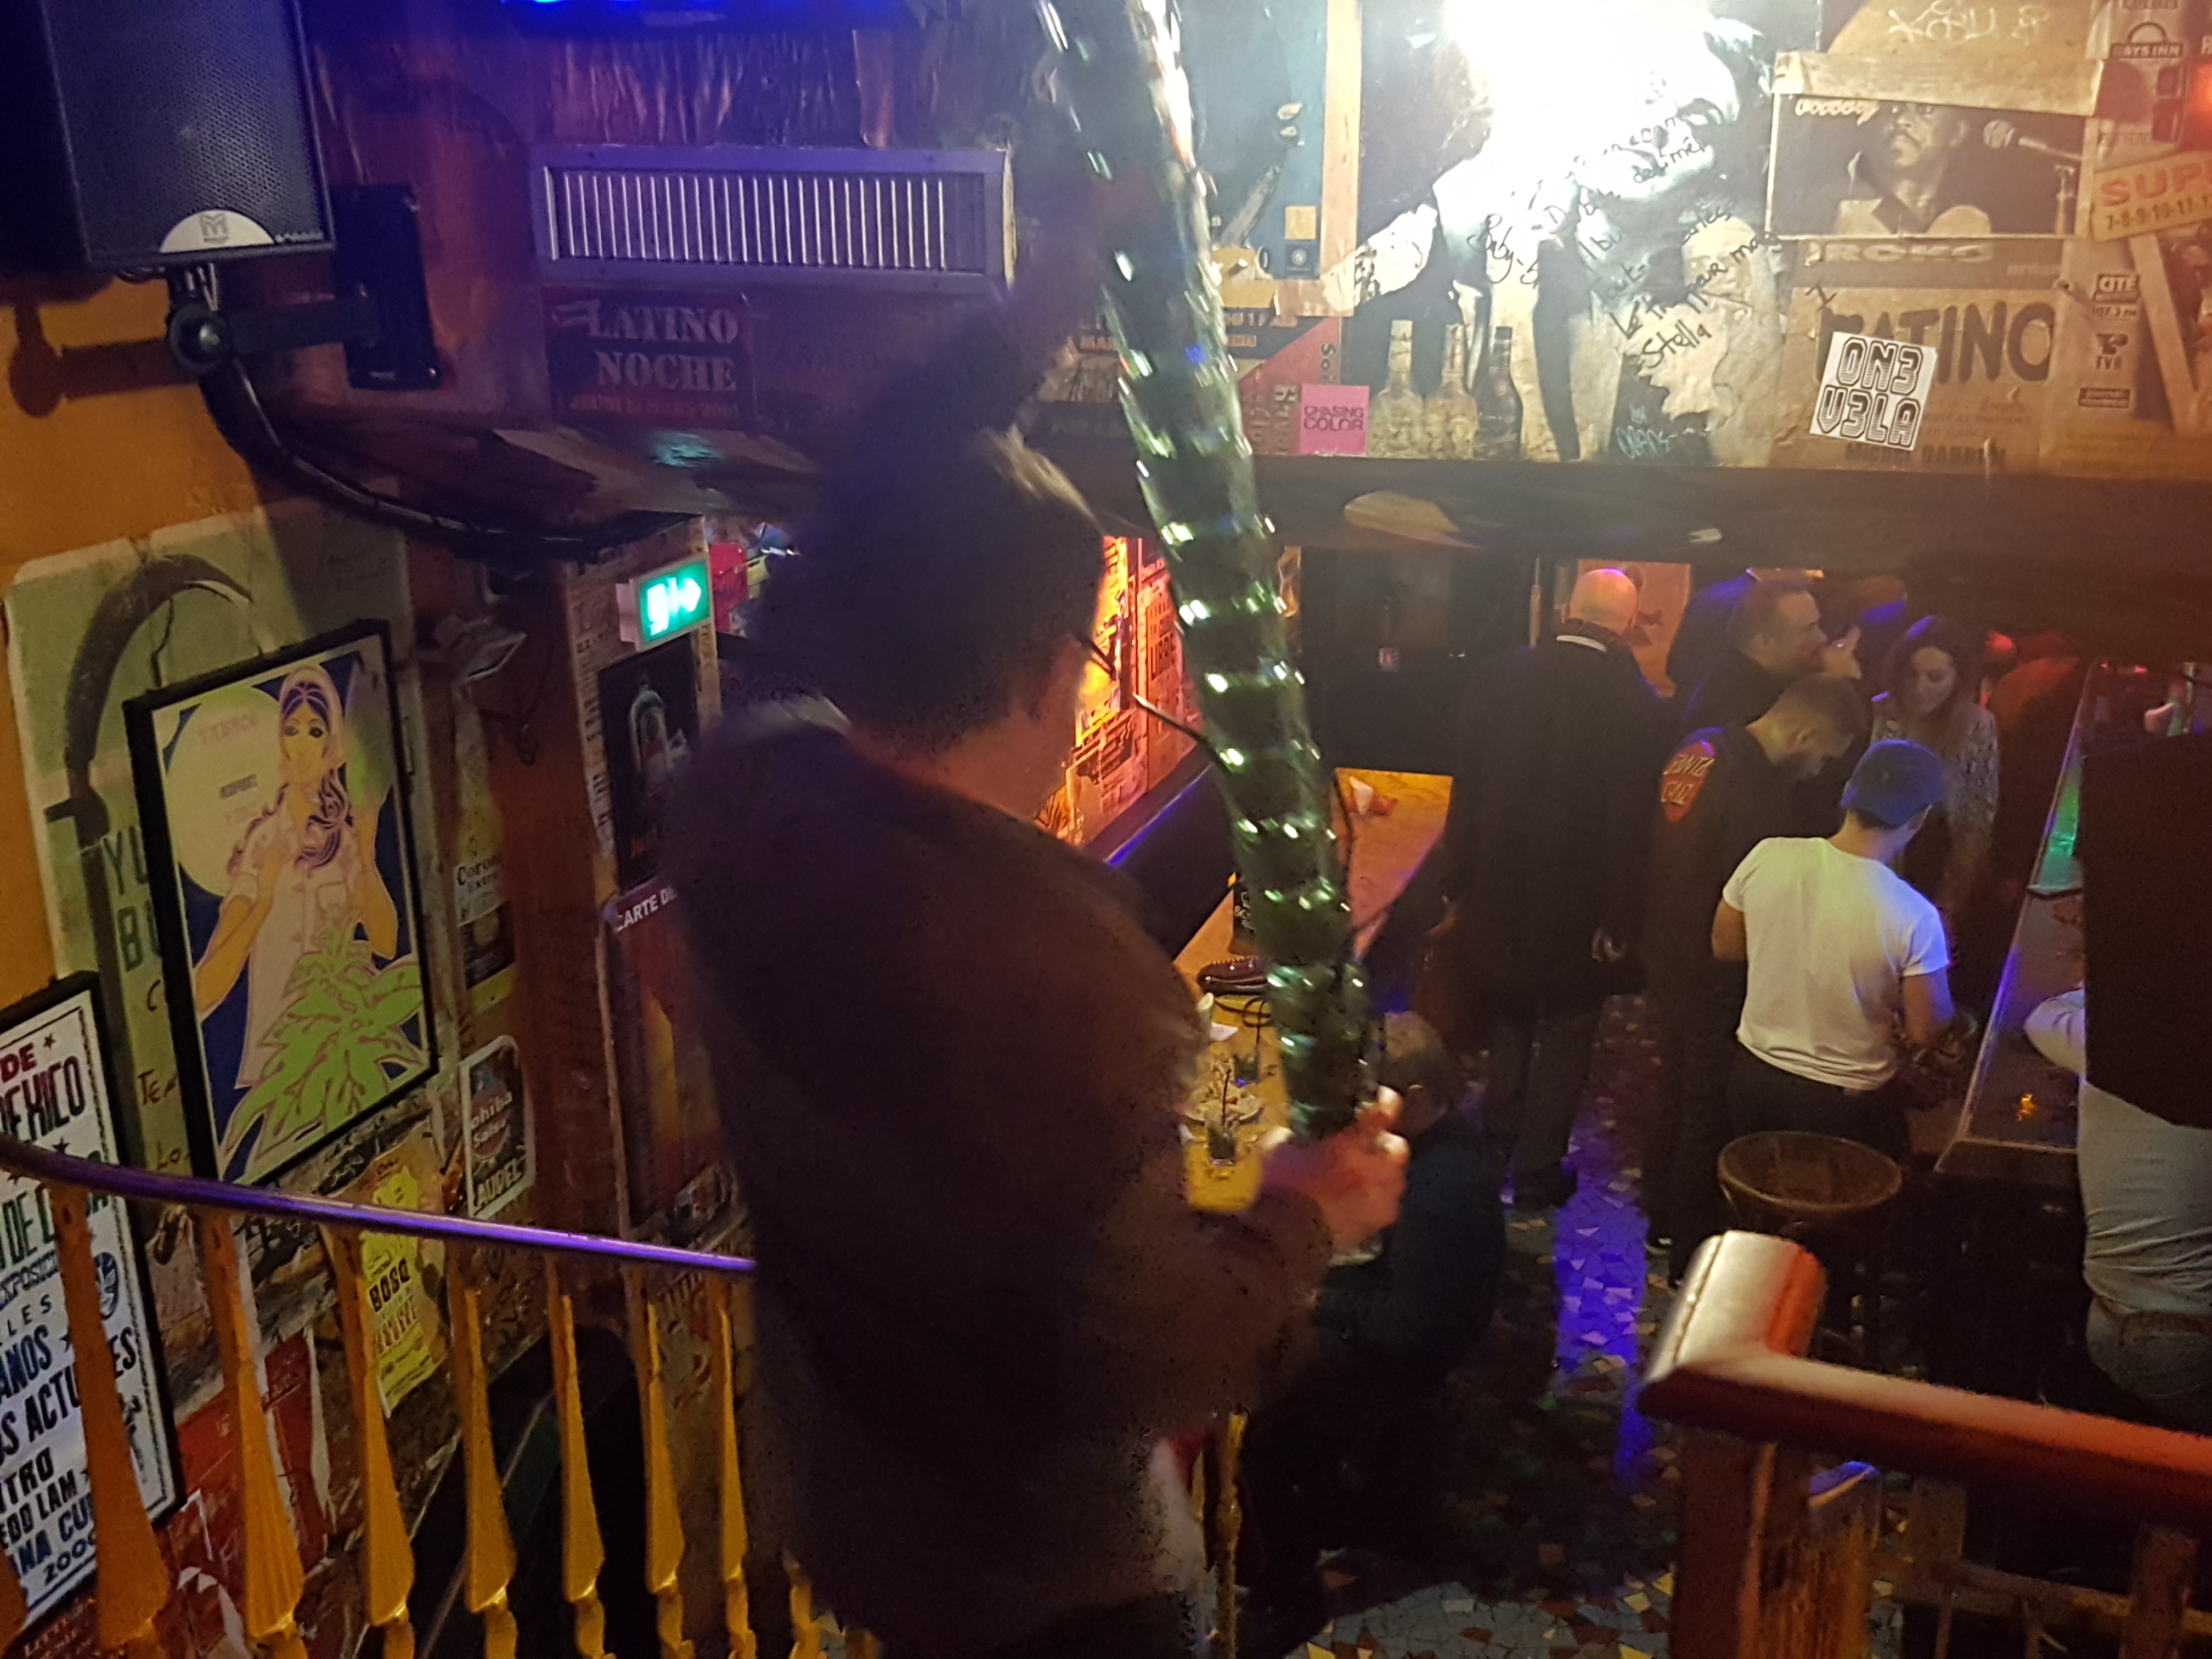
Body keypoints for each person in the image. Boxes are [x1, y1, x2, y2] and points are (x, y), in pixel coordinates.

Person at [668, 181, 1408, 1659]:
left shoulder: (737, 807)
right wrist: (1314, 1214)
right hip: (1058, 1592)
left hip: (866, 1511)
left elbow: (871, 501)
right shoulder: (1065, 987)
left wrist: (1035, 311)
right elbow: (1154, 1348)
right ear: (1050, 675)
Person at [1240, 1014, 1505, 1654]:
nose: (1362, 1111)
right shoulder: (1446, 1139)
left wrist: (1318, 1302)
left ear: (1417, 1098)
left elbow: (1408, 1328)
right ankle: (1328, 1503)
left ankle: (1290, 1593)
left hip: (1410, 1350)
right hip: (1412, 1314)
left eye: (1372, 1095)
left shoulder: (1441, 1190)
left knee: (1266, 1438)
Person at [1440, 568, 1669, 1208]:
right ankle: (1539, 1169)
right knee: (1569, 1029)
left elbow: (1468, 787)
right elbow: (1629, 827)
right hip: (1580, 904)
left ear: (1569, 609)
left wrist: (1458, 880)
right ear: (1627, 624)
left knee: (1509, 1013)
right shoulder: (1640, 707)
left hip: (1499, 883)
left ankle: (1496, 1136)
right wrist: (1623, 920)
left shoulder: (1499, 676)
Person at [1643, 674, 1868, 1279]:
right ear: (1804, 735)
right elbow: (1754, 908)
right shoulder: (1759, 803)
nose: (1819, 771)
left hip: (1666, 947)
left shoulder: (1700, 746)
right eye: (1824, 756)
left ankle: (1659, 1217)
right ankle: (1692, 1254)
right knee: (1705, 1113)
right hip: (1714, 968)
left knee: (1673, 1089)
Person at [1713, 741, 1957, 1156]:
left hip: (1754, 1077)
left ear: (1848, 792)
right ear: (1920, 818)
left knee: (1759, 1183)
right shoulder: (1915, 914)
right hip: (1847, 1102)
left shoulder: (1767, 855)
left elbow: (1726, 946)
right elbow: (1925, 1029)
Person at [2027, 988, 2212, 1431]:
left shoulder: (2114, 1043)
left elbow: (2042, 1017)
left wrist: (2107, 988)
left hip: (2110, 1327)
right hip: (2190, 1345)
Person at [1677, 577, 1862, 737]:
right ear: (1764, 642)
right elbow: (1827, 757)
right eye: (1807, 631)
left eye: (1817, 625)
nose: (1822, 638)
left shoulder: (1765, 676)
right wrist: (1842, 684)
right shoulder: (1740, 709)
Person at [1833, 103, 1993, 238]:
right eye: (1894, 108)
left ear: (1958, 132)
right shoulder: (1843, 210)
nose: (1901, 120)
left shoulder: (1972, 221)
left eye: (1925, 110)